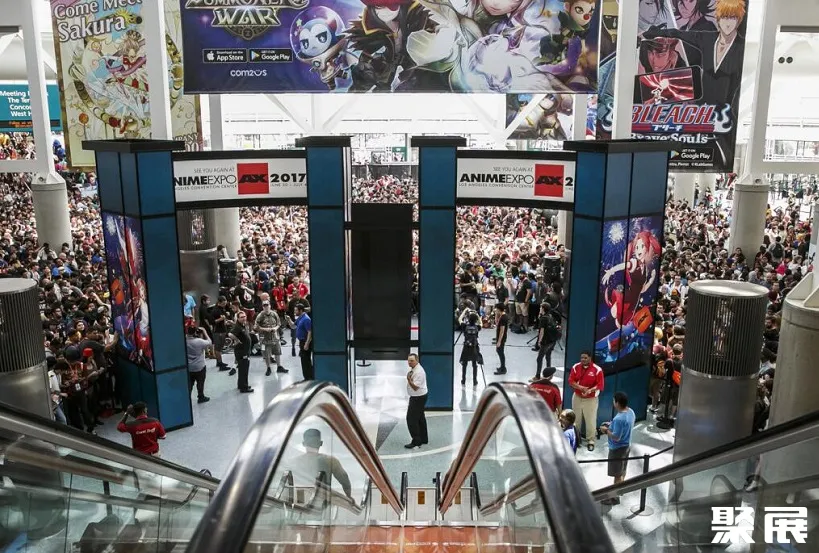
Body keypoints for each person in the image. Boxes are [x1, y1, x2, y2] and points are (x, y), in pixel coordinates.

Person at [292, 429, 354, 501]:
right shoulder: (330, 460)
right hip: (322, 502)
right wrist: (349, 496)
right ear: (321, 443)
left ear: (303, 443)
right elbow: (344, 479)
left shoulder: (294, 461)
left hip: (300, 501)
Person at [599, 392, 636, 504]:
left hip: (617, 450)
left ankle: (614, 497)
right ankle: (621, 489)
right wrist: (611, 424)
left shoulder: (619, 419)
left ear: (617, 403)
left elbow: (616, 437)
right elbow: (624, 426)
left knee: (617, 474)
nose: (613, 402)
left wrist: (606, 430)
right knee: (622, 470)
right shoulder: (630, 412)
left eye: (614, 400)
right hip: (627, 446)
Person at [568, 351, 604, 451]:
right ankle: (576, 438)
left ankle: (591, 440)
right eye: (581, 358)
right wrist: (581, 388)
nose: (583, 359)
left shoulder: (597, 370)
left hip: (591, 399)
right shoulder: (576, 367)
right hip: (577, 397)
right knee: (576, 419)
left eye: (585, 358)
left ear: (590, 358)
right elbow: (571, 381)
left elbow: (600, 385)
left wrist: (589, 390)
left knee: (590, 420)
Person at [255, 300, 287, 376]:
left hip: (275, 338)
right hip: (265, 339)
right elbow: (256, 326)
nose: (266, 307)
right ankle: (268, 368)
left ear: (270, 306)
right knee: (267, 354)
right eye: (264, 306)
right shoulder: (260, 316)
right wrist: (264, 329)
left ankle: (279, 366)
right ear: (262, 307)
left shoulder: (274, 314)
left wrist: (275, 328)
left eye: (267, 305)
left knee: (277, 352)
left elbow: (279, 323)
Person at [405, 353, 428, 449]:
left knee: (411, 419)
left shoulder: (419, 372)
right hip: (419, 397)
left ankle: (416, 441)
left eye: (412, 361)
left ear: (417, 361)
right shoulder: (415, 369)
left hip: (417, 398)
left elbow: (415, 387)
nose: (409, 363)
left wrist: (409, 380)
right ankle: (424, 438)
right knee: (420, 418)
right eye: (408, 360)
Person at [533, 302, 560, 380]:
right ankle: (549, 375)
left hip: (546, 341)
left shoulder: (543, 319)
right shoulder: (550, 316)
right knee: (548, 356)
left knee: (539, 358)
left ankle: (537, 376)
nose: (539, 309)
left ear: (543, 309)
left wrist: (539, 341)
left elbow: (542, 331)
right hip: (552, 340)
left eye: (540, 308)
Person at [185, 325, 211, 404]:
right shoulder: (199, 341)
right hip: (199, 366)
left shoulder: (184, 341)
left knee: (190, 384)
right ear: (195, 332)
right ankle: (201, 396)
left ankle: (187, 399)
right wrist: (205, 332)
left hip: (189, 367)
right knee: (200, 382)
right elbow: (210, 342)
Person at [229, 311, 254, 393]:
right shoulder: (237, 327)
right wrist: (236, 339)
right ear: (238, 318)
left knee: (242, 369)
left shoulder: (243, 325)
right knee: (244, 370)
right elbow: (230, 334)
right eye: (241, 317)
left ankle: (241, 384)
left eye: (244, 316)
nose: (244, 318)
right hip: (242, 352)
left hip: (244, 351)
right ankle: (244, 387)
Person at [460, 311, 481, 386]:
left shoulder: (465, 326)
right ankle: (475, 381)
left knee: (464, 364)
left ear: (468, 319)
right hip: (474, 348)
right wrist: (477, 314)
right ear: (475, 320)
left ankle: (463, 380)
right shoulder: (477, 327)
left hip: (466, 348)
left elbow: (460, 319)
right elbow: (480, 322)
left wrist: (465, 311)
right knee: (474, 364)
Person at [294, 303, 313, 380]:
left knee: (306, 361)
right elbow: (293, 326)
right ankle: (306, 377)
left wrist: (307, 344)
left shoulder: (306, 319)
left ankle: (309, 377)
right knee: (303, 360)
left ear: (301, 310)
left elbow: (309, 332)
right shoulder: (300, 318)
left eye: (296, 310)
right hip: (301, 342)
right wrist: (288, 320)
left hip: (305, 342)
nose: (295, 312)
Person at [493, 303, 508, 375]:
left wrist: (499, 341)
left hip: (501, 338)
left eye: (496, 309)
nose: (495, 310)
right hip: (499, 336)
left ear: (499, 309)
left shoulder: (503, 318)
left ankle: (503, 368)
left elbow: (502, 331)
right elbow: (496, 323)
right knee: (499, 351)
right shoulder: (501, 316)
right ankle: (502, 367)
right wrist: (496, 315)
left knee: (500, 352)